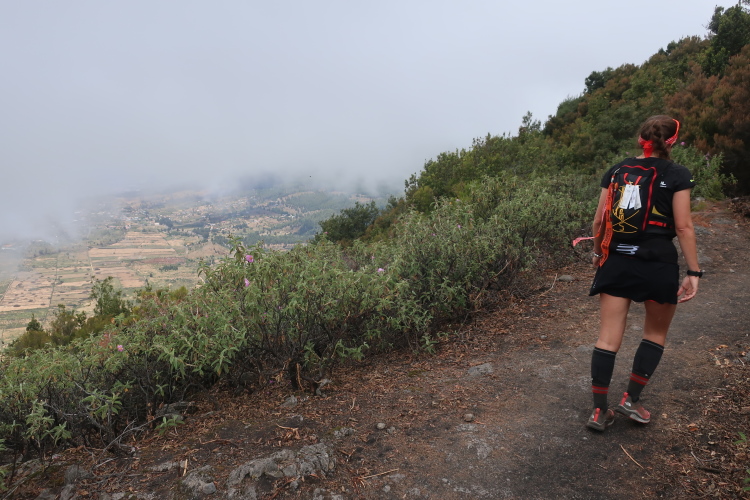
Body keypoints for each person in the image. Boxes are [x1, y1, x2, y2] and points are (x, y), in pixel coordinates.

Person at [586, 115, 702, 431]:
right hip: (658, 263)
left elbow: (599, 221)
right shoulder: (678, 174)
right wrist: (694, 271)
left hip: (616, 261)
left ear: (641, 138)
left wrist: (598, 253)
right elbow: (683, 227)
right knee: (654, 334)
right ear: (672, 141)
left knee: (607, 338)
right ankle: (631, 400)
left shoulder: (617, 171)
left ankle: (599, 411)